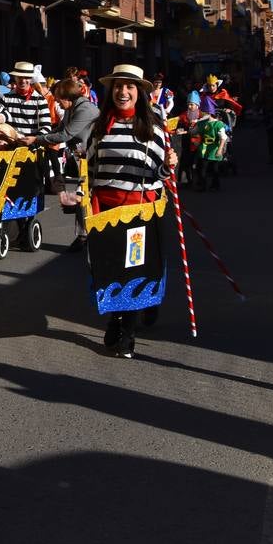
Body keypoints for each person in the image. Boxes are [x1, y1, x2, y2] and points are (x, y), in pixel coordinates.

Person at [86, 64, 178, 359]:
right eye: (117, 86)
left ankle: (125, 329)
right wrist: (78, 194)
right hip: (104, 210)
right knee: (108, 268)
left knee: (133, 268)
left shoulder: (153, 130)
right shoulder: (99, 127)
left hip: (139, 210)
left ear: (139, 92)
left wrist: (169, 165)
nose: (122, 92)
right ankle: (120, 315)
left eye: (129, 87)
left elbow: (162, 174)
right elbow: (88, 167)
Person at [22, 78, 98, 253]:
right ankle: (84, 235)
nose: (55, 101)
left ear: (67, 97)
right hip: (85, 157)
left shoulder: (85, 109)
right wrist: (37, 139)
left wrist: (37, 139)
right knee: (82, 197)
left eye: (57, 98)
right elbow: (58, 130)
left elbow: (65, 135)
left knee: (85, 197)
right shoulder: (73, 108)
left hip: (96, 159)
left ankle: (89, 236)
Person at [1, 62, 52, 137]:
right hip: (10, 144)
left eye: (26, 77)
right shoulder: (5, 98)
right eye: (20, 77)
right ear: (15, 77)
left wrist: (34, 141)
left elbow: (46, 127)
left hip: (32, 145)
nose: (23, 80)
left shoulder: (40, 100)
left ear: (31, 78)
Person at [190, 109, 227, 190]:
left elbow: (223, 138)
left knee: (215, 169)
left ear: (209, 114)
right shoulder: (201, 123)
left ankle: (215, 185)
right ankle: (203, 185)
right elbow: (193, 132)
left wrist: (220, 149)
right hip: (204, 148)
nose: (201, 114)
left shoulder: (218, 124)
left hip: (214, 148)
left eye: (204, 112)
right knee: (202, 167)